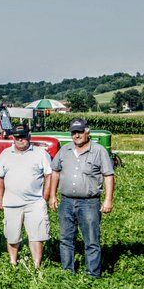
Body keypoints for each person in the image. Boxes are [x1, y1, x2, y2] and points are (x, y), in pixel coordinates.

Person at [49, 118, 115, 279]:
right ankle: (67, 271)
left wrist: (108, 199)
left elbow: (108, 175)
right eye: (73, 132)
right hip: (66, 201)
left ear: (87, 132)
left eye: (79, 131)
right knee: (66, 238)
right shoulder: (65, 150)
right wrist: (52, 195)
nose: (76, 135)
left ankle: (92, 274)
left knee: (91, 240)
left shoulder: (99, 150)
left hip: (89, 202)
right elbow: (55, 172)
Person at [0, 124, 53, 268]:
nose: (20, 140)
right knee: (12, 235)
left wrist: (45, 197)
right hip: (11, 202)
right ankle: (13, 262)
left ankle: (36, 264)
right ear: (13, 138)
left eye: (23, 136)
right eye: (17, 137)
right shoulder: (6, 154)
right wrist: (0, 199)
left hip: (35, 202)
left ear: (29, 136)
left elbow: (49, 175)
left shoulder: (40, 153)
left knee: (37, 235)